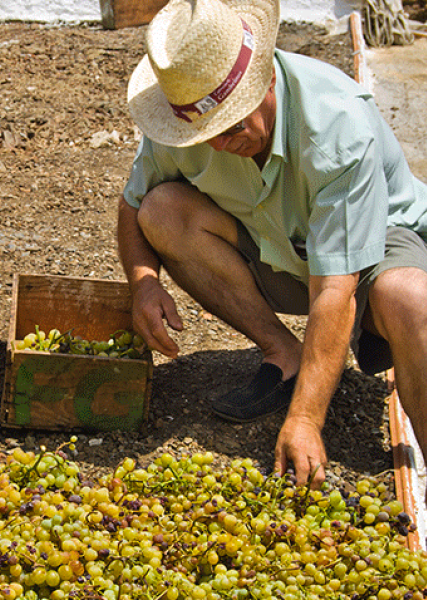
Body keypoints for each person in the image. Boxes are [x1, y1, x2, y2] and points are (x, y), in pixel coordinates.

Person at [118, 0, 427, 489]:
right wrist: (143, 282)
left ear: (264, 82)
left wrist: (306, 420)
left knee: (412, 300)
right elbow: (134, 204)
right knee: (162, 210)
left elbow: (336, 289)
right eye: (206, 133)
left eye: (233, 125)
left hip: (370, 254)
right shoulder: (184, 122)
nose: (220, 144)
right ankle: (285, 354)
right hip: (278, 247)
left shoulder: (337, 128)